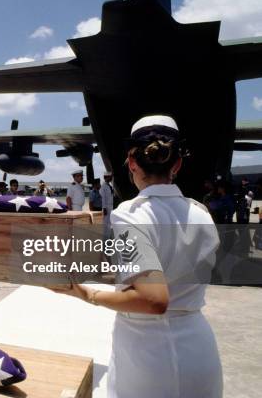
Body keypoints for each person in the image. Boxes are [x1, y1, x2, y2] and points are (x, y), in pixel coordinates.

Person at [49, 115, 222, 398]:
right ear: (176, 164)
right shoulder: (201, 213)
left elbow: (153, 300)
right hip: (198, 345)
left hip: (149, 353)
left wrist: (85, 294)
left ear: (131, 163)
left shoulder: (131, 215)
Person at [100, 171, 115, 237]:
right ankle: (105, 239)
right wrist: (104, 208)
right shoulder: (103, 186)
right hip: (106, 207)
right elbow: (103, 198)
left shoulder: (109, 185)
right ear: (106, 177)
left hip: (110, 206)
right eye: (110, 177)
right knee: (106, 223)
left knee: (109, 223)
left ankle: (108, 237)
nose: (111, 178)